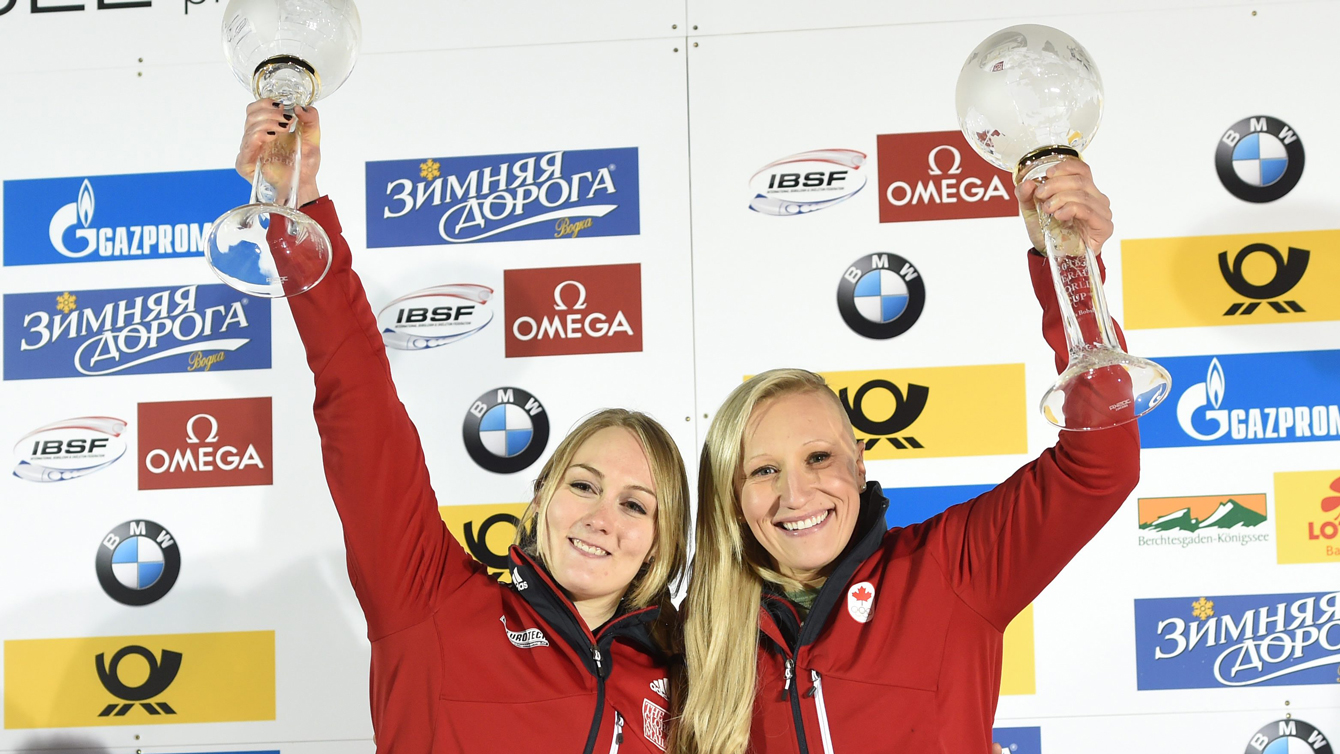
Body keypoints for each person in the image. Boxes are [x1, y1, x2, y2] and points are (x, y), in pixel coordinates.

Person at [236, 100, 689, 753]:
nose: (601, 518)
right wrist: (297, 212)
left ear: (660, 539)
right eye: (584, 485)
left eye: (634, 504)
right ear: (541, 500)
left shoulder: (690, 679)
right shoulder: (432, 607)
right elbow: (360, 406)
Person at [677, 161, 1138, 754]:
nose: (795, 495)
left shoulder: (948, 570)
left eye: (818, 457)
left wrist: (1070, 265)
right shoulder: (696, 636)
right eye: (764, 470)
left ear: (859, 462)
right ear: (732, 495)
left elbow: (1100, 465)